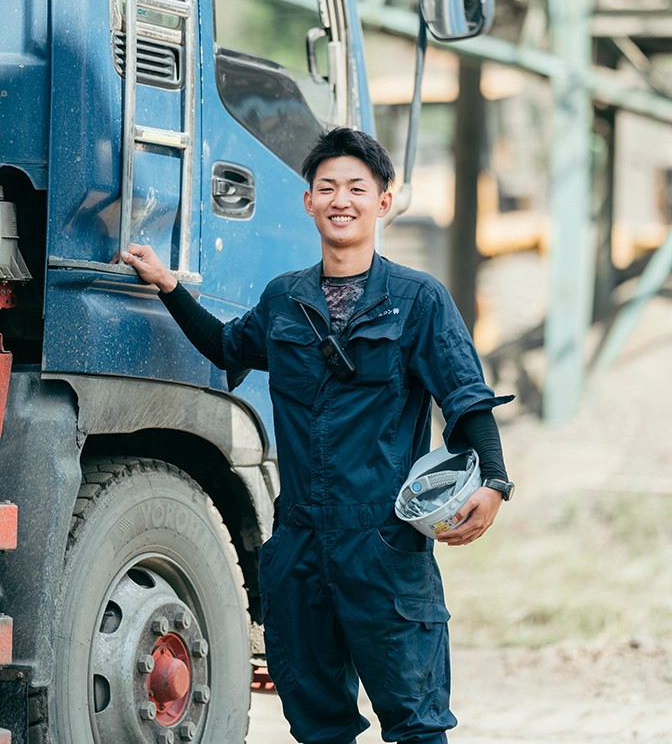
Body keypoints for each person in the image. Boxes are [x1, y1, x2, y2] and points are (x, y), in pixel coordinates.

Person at [122, 127, 513, 744]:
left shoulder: (418, 301)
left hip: (383, 545)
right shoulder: (285, 300)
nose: (341, 199)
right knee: (316, 724)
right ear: (307, 201)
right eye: (327, 187)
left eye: (358, 187)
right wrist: (170, 287)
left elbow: (464, 400)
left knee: (415, 721)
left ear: (384, 201)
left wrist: (493, 482)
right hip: (299, 544)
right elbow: (226, 346)